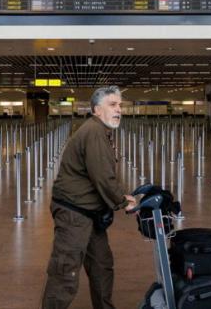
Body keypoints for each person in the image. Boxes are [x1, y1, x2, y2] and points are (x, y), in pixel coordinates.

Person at [41, 86, 137, 309]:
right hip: (74, 212)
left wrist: (120, 196)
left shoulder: (100, 131)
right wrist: (123, 202)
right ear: (96, 110)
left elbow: (101, 176)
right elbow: (103, 175)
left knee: (101, 265)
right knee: (65, 270)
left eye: (120, 105)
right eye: (112, 105)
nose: (119, 110)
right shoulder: (94, 132)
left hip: (90, 211)